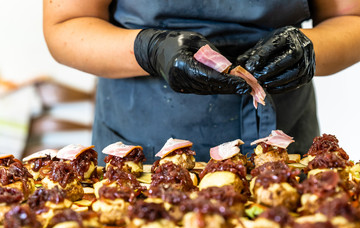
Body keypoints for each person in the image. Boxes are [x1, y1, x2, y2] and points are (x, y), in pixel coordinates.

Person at [43, 0, 360, 164]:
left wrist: (309, 48)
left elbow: (350, 19)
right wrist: (150, 50)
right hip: (141, 143)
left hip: (284, 142)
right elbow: (66, 23)